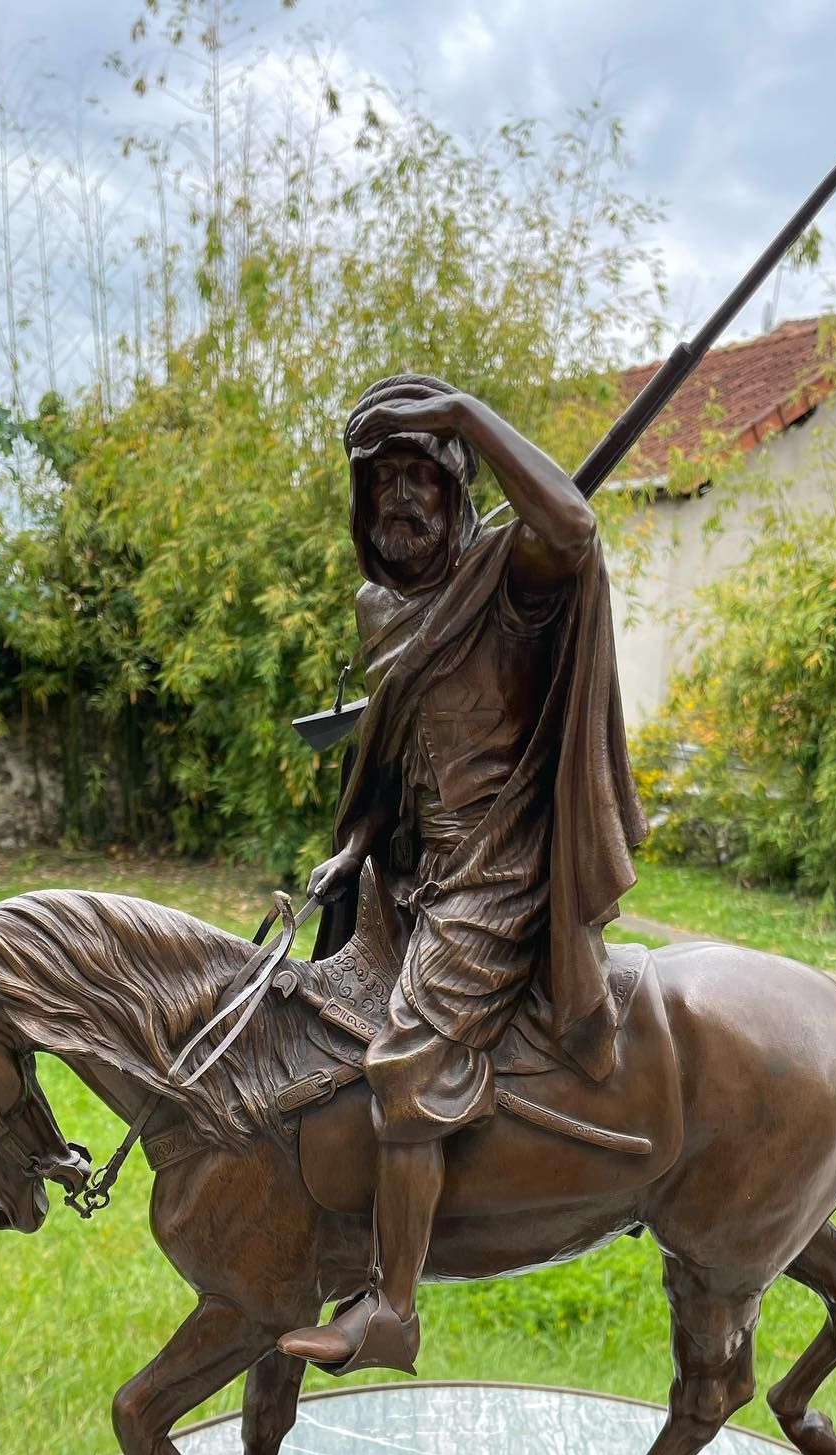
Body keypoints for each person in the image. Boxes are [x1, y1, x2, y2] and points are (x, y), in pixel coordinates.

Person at [275, 373, 646, 1375]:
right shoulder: (379, 607)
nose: (399, 499)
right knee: (311, 1024)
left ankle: (394, 1308)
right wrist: (356, 844)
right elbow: (391, 756)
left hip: (501, 872)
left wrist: (463, 414)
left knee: (405, 1062)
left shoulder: (509, 576)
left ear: (457, 489)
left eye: (422, 476)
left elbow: (573, 525)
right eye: (382, 481)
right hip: (414, 870)